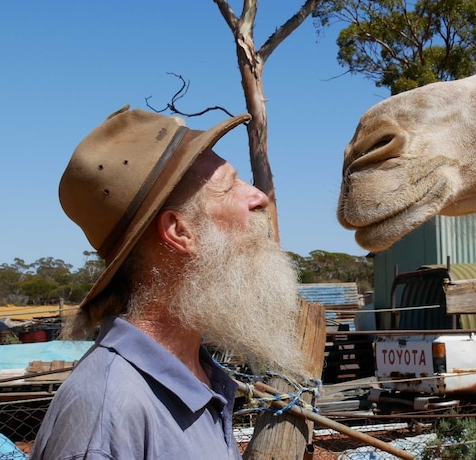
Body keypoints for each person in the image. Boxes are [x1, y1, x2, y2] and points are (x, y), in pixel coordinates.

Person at [31, 106, 306, 459]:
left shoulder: (200, 374)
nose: (258, 196)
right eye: (229, 186)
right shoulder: (108, 415)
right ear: (180, 231)